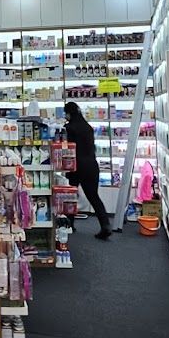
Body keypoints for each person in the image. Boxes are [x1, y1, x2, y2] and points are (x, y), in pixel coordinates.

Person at [63, 100, 111, 240]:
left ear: (69, 113)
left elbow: (68, 147)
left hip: (76, 165)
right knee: (93, 196)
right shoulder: (88, 127)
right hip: (91, 165)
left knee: (71, 195)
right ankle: (105, 225)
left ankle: (69, 224)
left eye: (66, 113)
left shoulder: (69, 128)